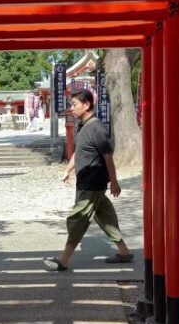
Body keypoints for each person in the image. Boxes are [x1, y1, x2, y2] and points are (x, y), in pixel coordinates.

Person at [44, 90, 133, 271]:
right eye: (71, 104)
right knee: (106, 217)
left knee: (78, 219)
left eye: (75, 104)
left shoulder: (96, 128)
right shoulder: (83, 127)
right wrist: (67, 170)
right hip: (88, 183)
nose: (72, 108)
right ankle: (124, 251)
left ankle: (64, 260)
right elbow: (79, 152)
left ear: (87, 105)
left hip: (91, 183)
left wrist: (114, 182)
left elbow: (108, 156)